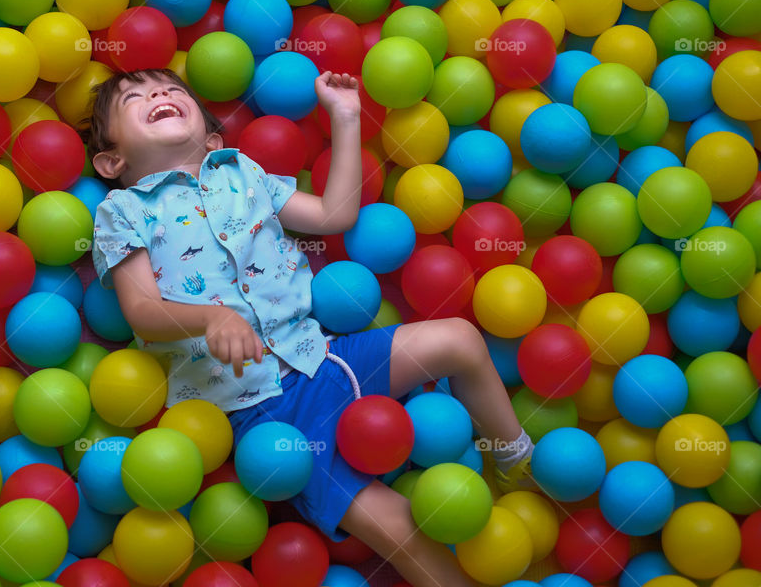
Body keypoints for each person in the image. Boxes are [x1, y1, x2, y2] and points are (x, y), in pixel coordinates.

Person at [88, 67, 534, 587]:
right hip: (264, 421)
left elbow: (333, 214)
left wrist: (346, 118)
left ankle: (514, 460)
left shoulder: (244, 173)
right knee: (401, 529)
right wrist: (211, 317)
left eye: (171, 90)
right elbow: (142, 310)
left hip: (326, 360)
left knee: (459, 338)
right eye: (135, 97)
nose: (160, 94)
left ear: (212, 139)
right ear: (112, 161)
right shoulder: (122, 211)